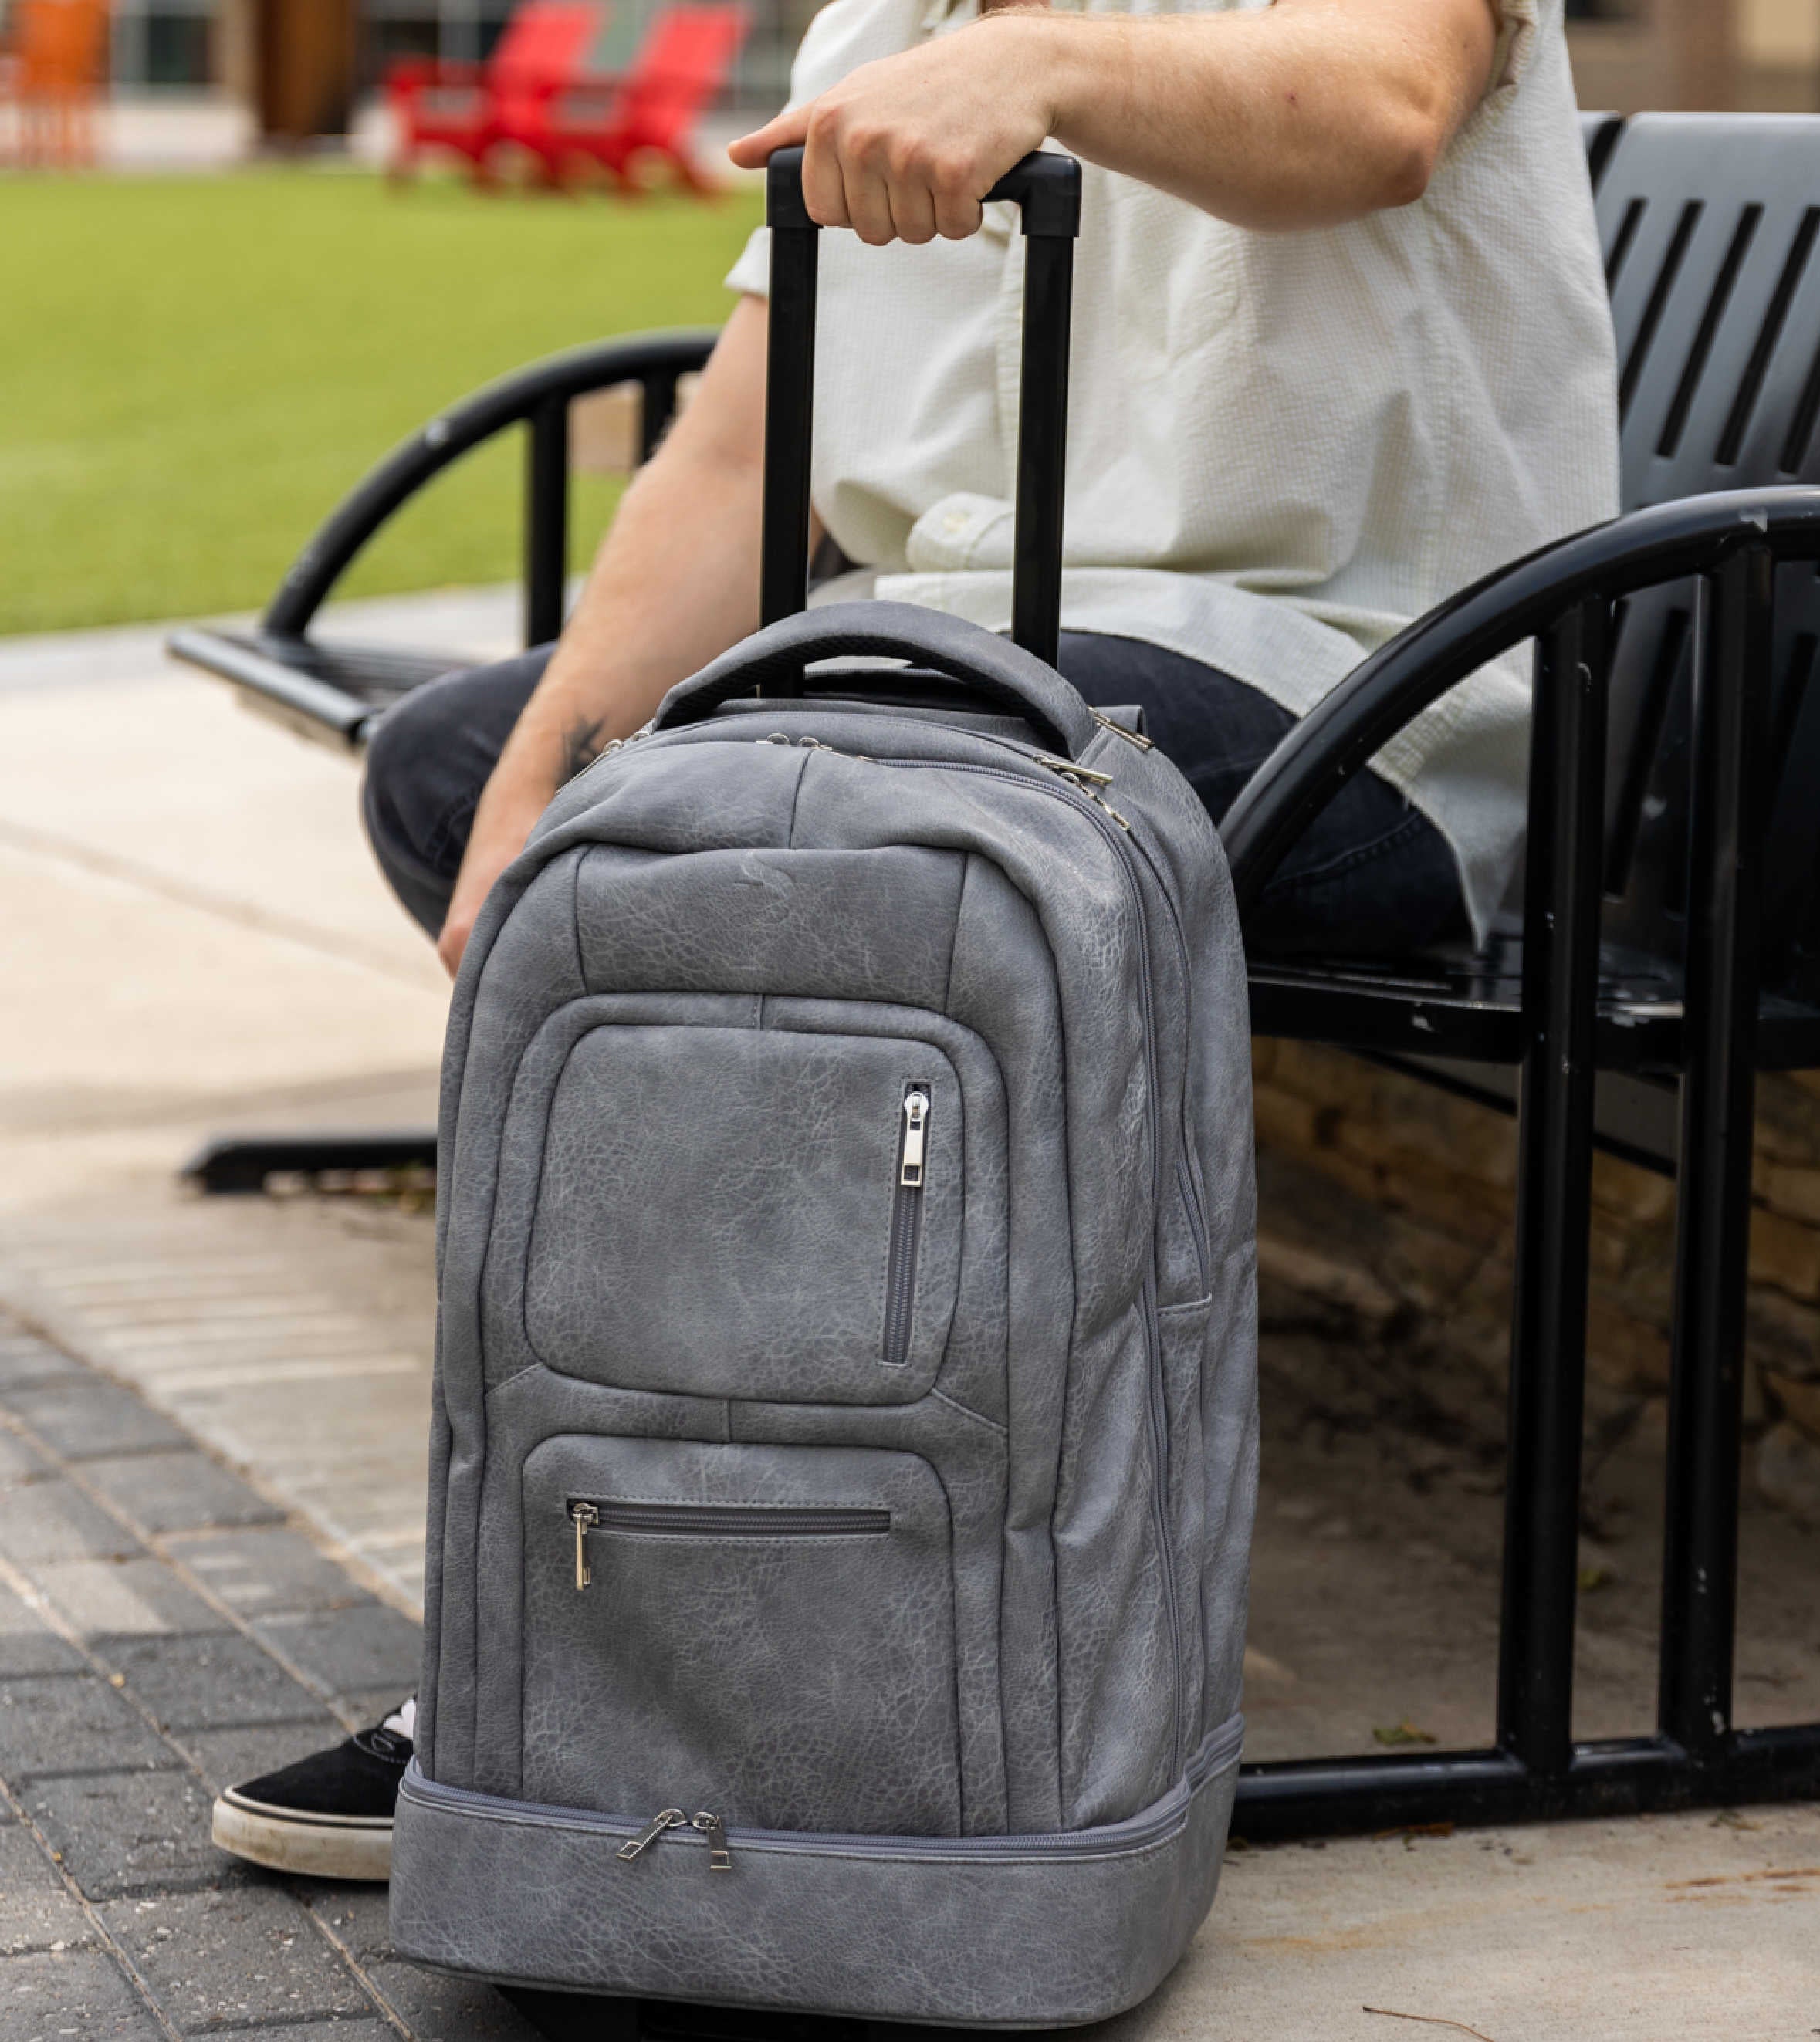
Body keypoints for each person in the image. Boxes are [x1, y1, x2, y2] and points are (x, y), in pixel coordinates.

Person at [209, 0, 1618, 1879]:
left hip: (1345, 698)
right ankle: (751, 1546)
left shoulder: (1031, 44)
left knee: (824, 812)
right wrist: (538, 790)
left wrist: (1042, 68)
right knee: (465, 772)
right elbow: (739, 462)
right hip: (956, 677)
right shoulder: (893, 19)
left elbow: (1386, 109)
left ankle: (663, 1667)